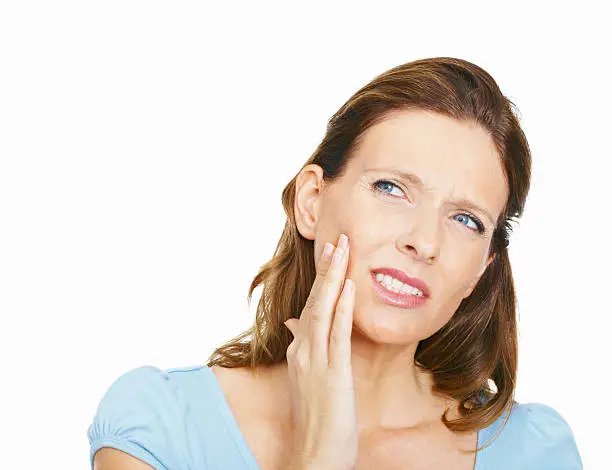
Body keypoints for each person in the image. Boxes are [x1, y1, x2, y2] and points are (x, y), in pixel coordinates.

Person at [87, 57, 583, 469]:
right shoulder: (162, 427)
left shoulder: (533, 453)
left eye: (466, 220)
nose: (424, 242)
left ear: (482, 266)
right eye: (392, 189)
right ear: (311, 201)